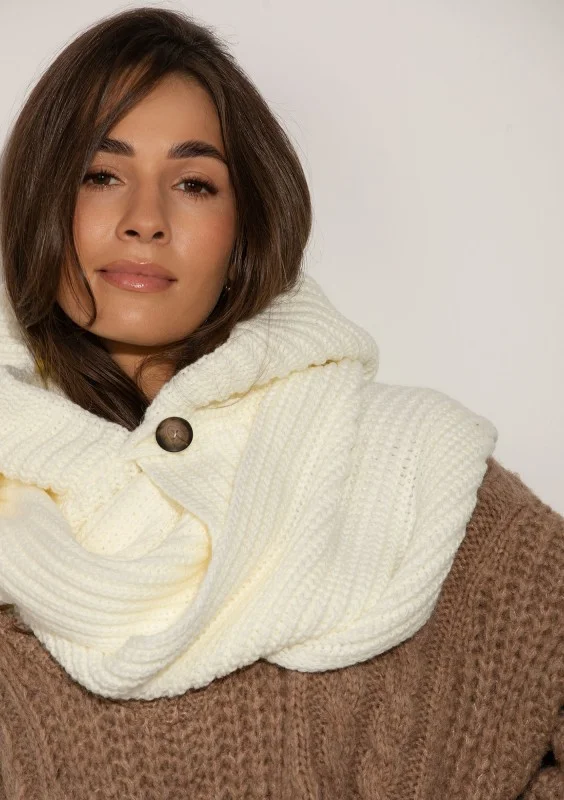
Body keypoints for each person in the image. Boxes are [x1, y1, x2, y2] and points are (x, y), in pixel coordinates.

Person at [0, 7, 561, 799]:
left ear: (245, 228)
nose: (144, 221)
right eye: (101, 175)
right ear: (36, 199)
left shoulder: (410, 471)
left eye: (194, 184)